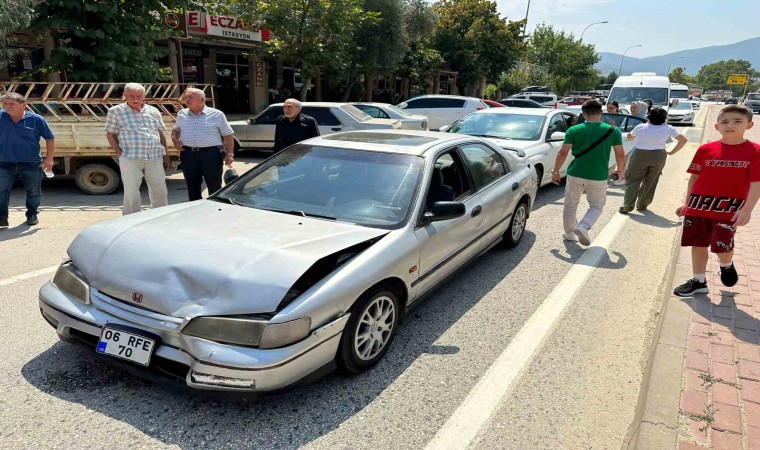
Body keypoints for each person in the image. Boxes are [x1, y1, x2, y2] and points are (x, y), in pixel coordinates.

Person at [673, 105, 760, 296]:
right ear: (717, 126)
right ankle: (699, 281)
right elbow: (694, 178)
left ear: (749, 125)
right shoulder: (705, 149)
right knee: (698, 243)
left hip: (729, 209)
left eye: (738, 121)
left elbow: (756, 183)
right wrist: (687, 203)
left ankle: (726, 264)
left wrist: (747, 210)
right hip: (698, 206)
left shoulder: (755, 151)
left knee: (722, 245)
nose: (730, 125)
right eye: (725, 122)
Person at [552, 100, 626, 245]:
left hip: (576, 172)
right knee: (597, 205)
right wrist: (620, 170)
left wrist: (556, 171)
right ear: (601, 113)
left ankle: (569, 233)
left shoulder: (574, 130)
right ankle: (583, 226)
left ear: (584, 114)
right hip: (598, 175)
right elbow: (620, 154)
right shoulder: (613, 131)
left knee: (570, 204)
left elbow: (562, 152)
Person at [105, 83, 170, 215]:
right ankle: (131, 217)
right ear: (125, 96)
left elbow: (160, 133)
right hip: (130, 157)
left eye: (139, 96)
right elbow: (110, 134)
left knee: (160, 189)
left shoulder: (153, 111)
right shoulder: (115, 111)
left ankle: (159, 216)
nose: (135, 99)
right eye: (131, 96)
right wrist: (119, 153)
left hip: (155, 156)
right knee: (131, 191)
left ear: (144, 96)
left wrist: (166, 155)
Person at [0, 92, 56, 227]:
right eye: (5, 103)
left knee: (34, 192)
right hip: (4, 162)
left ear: (24, 105)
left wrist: (49, 159)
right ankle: (2, 218)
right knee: (1, 191)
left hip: (30, 162)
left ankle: (32, 214)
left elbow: (50, 138)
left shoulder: (36, 119)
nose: (7, 107)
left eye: (11, 104)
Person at [619, 107, 688, 213]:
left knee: (633, 179)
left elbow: (629, 137)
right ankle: (642, 205)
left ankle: (628, 204)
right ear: (664, 119)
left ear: (649, 117)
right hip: (659, 155)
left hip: (640, 155)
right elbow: (683, 139)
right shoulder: (668, 128)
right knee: (651, 181)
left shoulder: (641, 127)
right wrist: (672, 152)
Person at [171, 88, 235, 201]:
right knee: (192, 186)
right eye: (186, 97)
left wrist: (230, 153)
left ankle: (214, 211)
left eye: (190, 97)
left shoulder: (217, 114)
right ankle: (195, 211)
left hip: (210, 155)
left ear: (202, 100)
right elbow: (176, 130)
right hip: (188, 154)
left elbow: (228, 135)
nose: (187, 100)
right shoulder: (182, 114)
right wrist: (175, 139)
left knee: (214, 185)